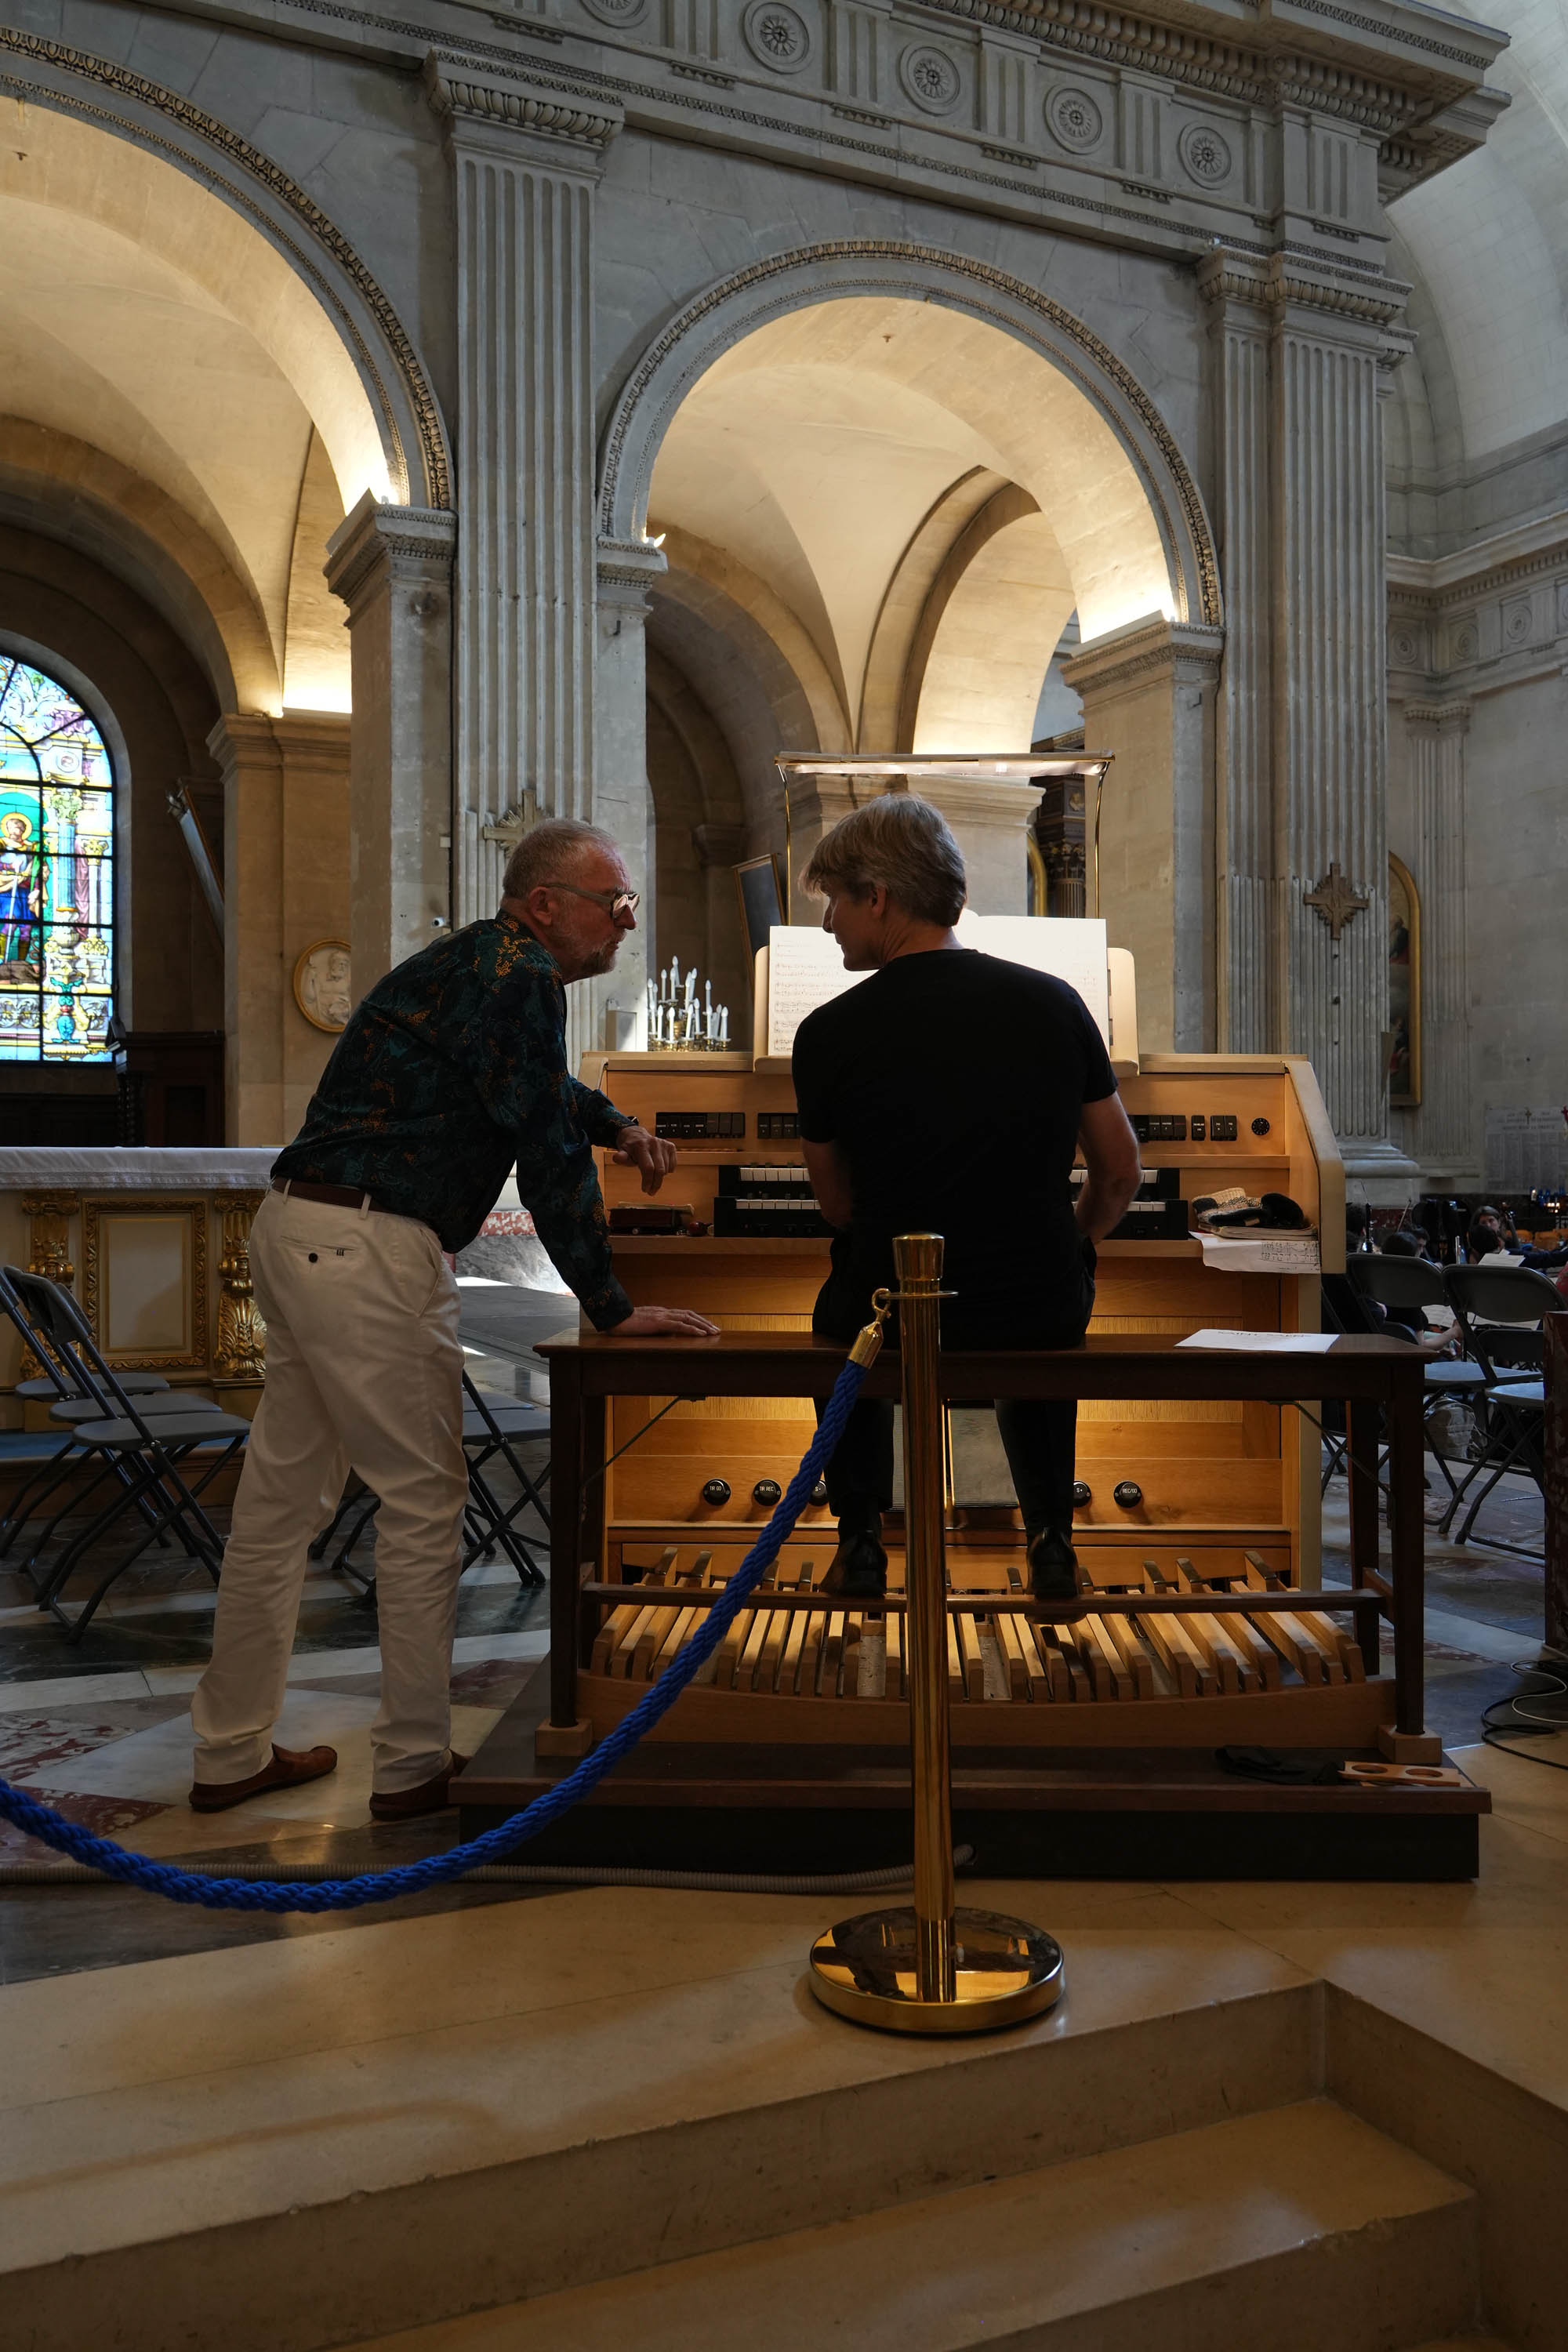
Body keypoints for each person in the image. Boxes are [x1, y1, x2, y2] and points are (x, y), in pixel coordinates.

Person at [190, 819, 717, 1818]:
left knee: (278, 1511)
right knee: (425, 1505)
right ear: (544, 902)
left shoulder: (478, 962)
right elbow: (542, 1148)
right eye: (612, 902)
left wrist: (617, 1121)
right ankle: (412, 1766)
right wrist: (608, 1307)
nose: (623, 922)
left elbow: (533, 1090)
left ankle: (227, 1753)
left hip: (302, 1226)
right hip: (368, 1249)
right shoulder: (515, 972)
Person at [791, 795, 1142, 1603]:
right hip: (1033, 1299)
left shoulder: (829, 1031)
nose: (828, 926)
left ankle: (859, 1545)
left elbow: (836, 1204)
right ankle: (1051, 1540)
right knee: (1044, 1319)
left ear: (876, 895)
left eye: (833, 903)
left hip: (895, 1305)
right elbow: (1119, 1171)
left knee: (839, 1322)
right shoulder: (1054, 1002)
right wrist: (1072, 1239)